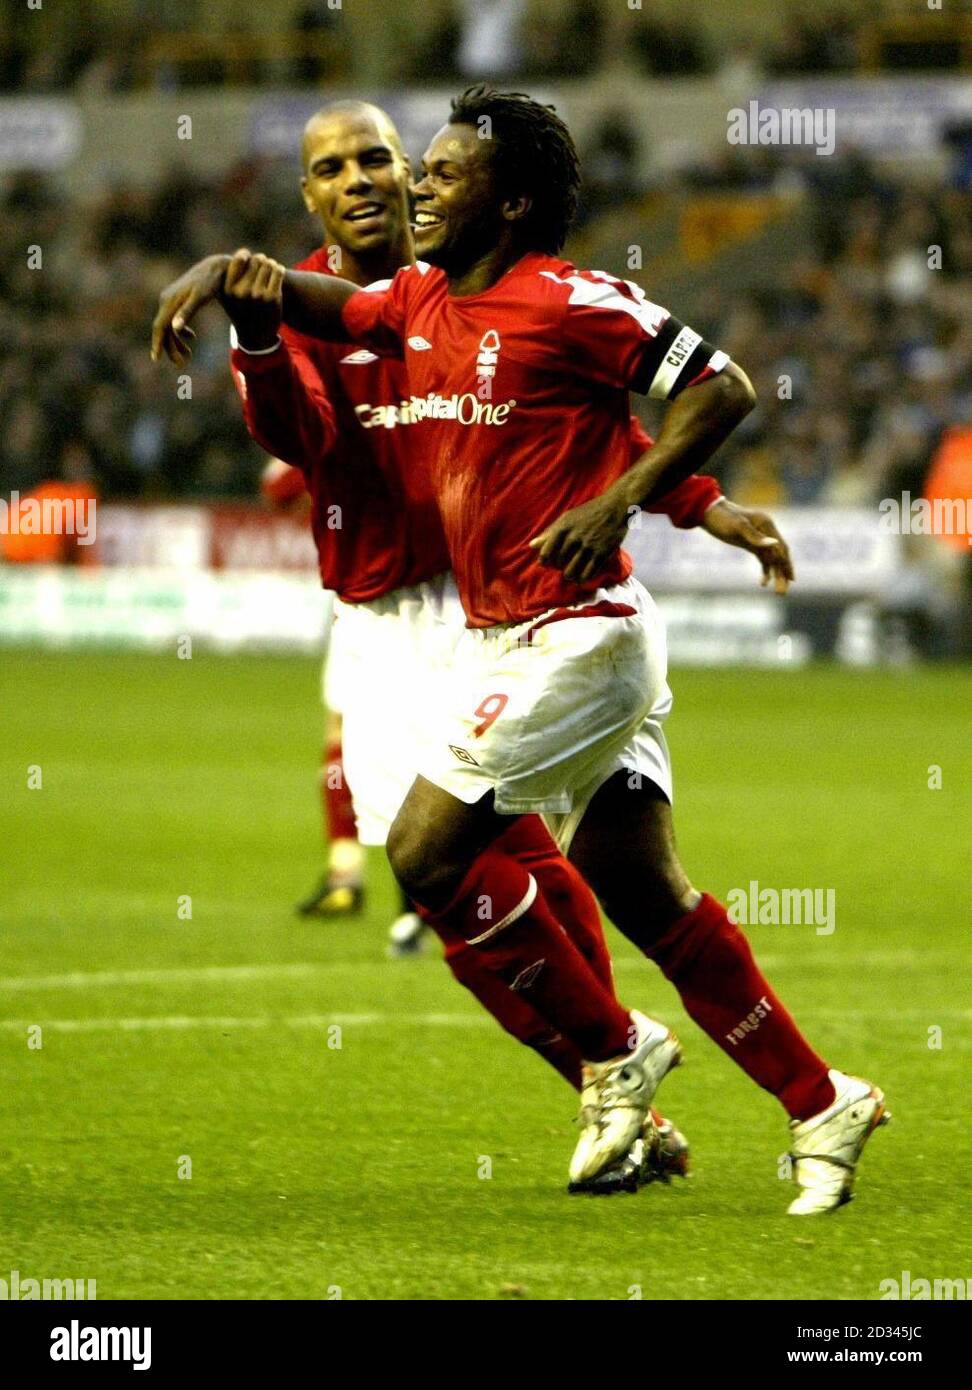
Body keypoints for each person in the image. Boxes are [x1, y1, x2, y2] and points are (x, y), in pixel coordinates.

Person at [153, 89, 888, 1212]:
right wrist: (238, 296)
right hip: (411, 617)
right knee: (592, 880)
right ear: (307, 194)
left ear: (423, 176)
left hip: (538, 613)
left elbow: (594, 412)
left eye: (386, 161)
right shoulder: (385, 305)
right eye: (334, 168)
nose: (370, 181)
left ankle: (616, 1060)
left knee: (452, 857)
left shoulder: (503, 293)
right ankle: (783, 1095)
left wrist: (691, 501)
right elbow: (300, 429)